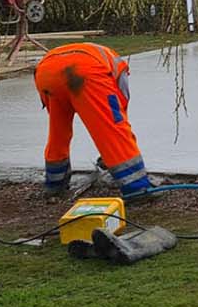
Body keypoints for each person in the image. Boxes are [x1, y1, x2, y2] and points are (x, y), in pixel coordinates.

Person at [34, 43, 153, 199]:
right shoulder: (120, 68)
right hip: (84, 71)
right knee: (114, 130)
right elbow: (118, 115)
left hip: (45, 72)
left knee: (59, 131)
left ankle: (54, 184)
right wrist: (113, 153)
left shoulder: (102, 54)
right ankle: (137, 188)